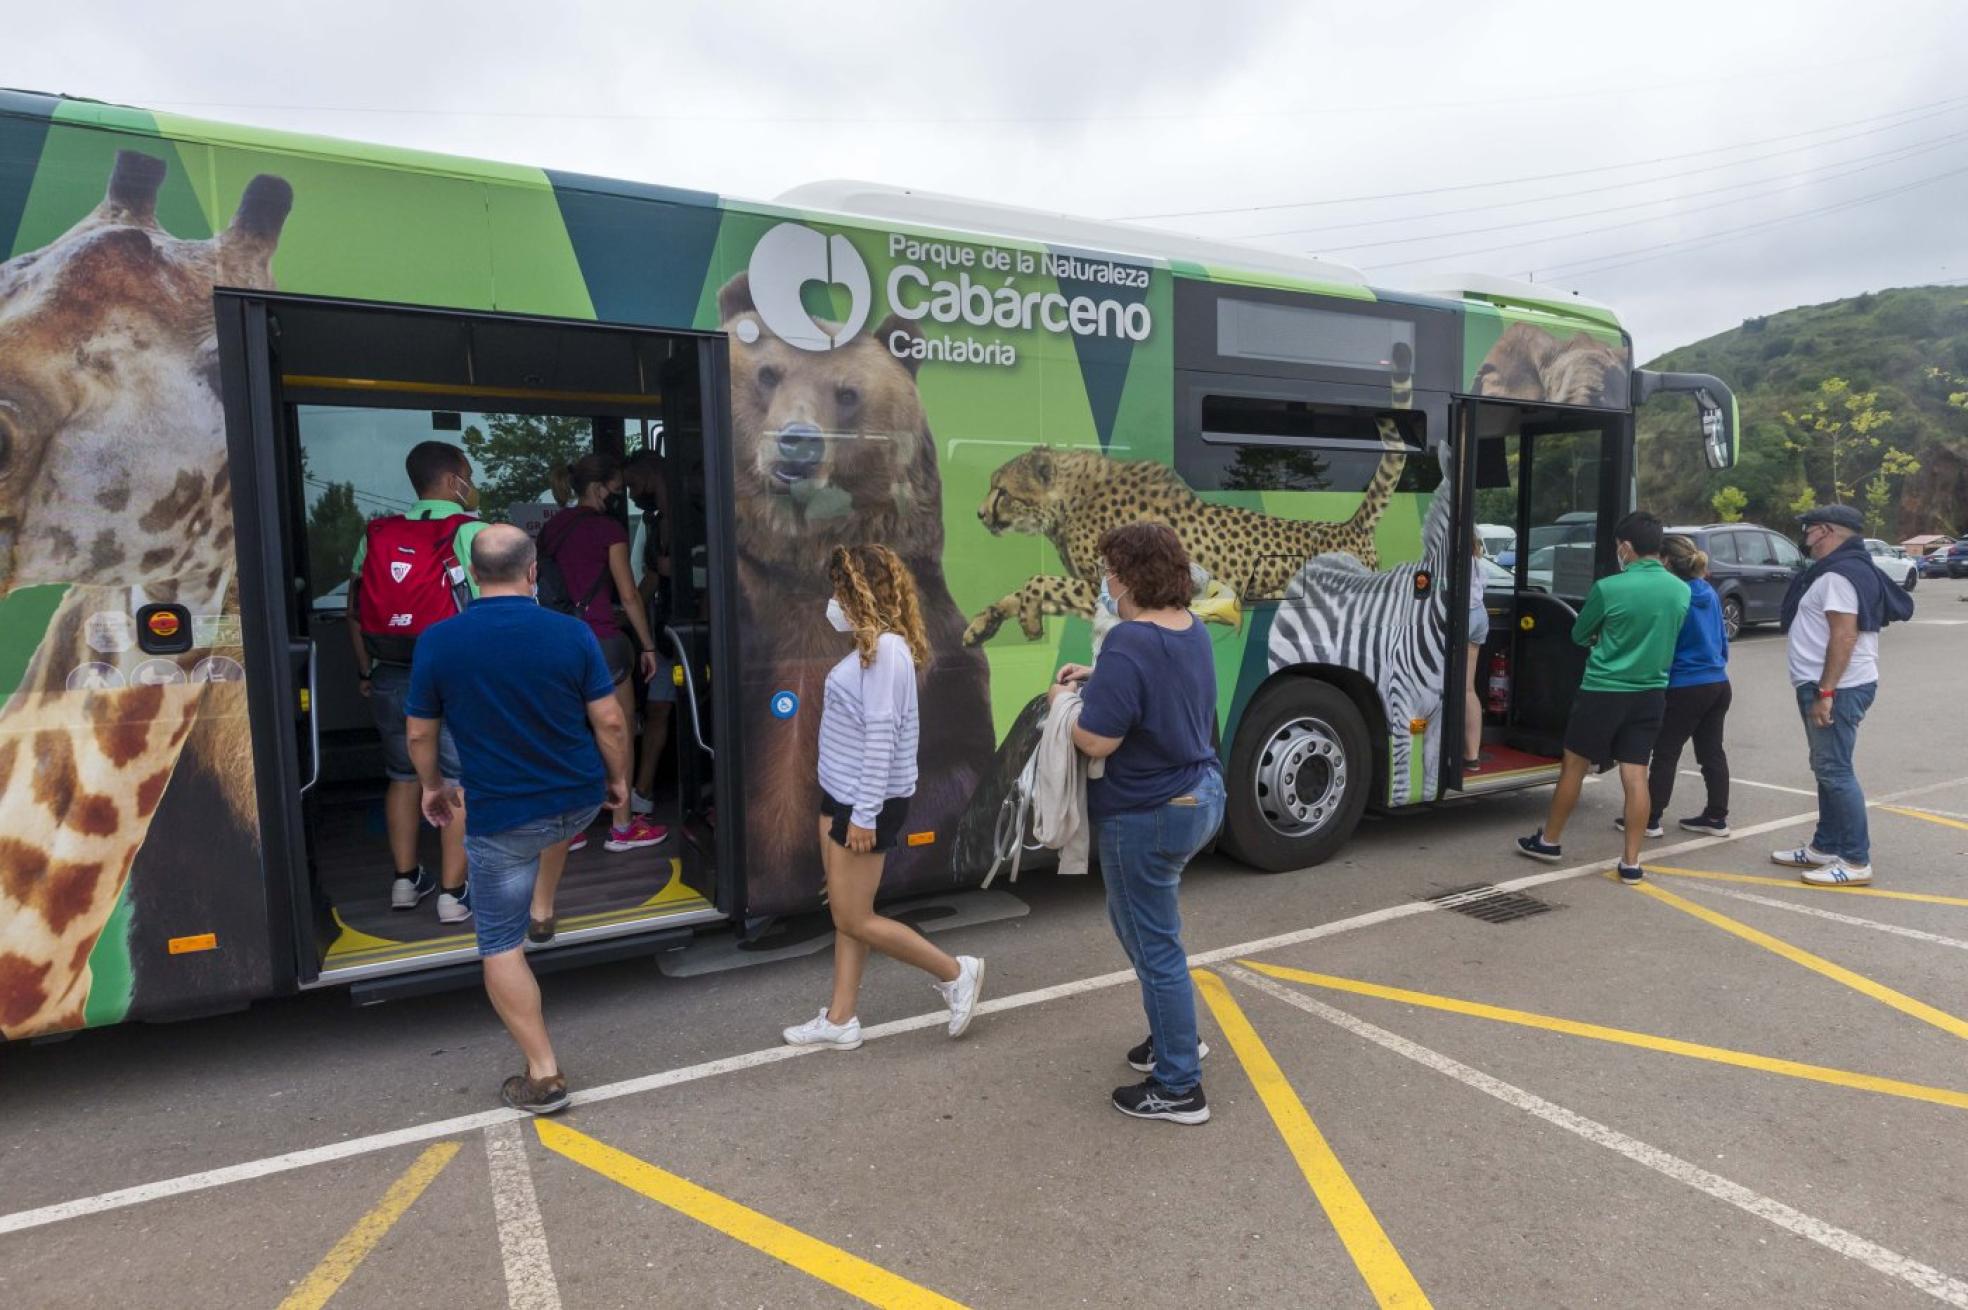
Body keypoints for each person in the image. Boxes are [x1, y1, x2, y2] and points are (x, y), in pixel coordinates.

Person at [405, 524, 629, 1114]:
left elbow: (420, 731)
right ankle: (545, 908)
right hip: (576, 798)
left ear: (473, 574)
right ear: (533, 572)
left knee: (499, 946)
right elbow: (608, 721)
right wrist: (618, 782)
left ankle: (544, 1074)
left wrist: (433, 787)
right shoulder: (572, 633)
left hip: (502, 816)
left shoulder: (439, 640)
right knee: (554, 828)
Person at [1052, 522, 1225, 1126]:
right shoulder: (1189, 627)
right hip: (1198, 795)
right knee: (1153, 938)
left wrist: (1062, 710)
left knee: (1154, 945)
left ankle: (1180, 1086)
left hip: (1146, 812)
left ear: (1127, 577)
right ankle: (1175, 1037)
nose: (1104, 581)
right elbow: (1158, 689)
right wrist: (1097, 680)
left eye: (1108, 571)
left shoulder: (1129, 639)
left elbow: (1098, 740)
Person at [781, 544, 985, 1052]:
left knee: (855, 917)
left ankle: (956, 973)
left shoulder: (888, 651)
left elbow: (882, 737)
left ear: (858, 594)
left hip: (862, 803)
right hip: (841, 795)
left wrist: (865, 814)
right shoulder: (870, 650)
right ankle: (840, 1018)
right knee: (847, 913)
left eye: (838, 589)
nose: (832, 600)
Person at [347, 440, 484, 923]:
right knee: (456, 781)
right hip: (455, 682)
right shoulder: (473, 533)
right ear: (453, 480)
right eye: (469, 474)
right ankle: (453, 892)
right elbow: (493, 612)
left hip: (392, 675)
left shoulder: (377, 534)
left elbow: (356, 610)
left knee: (403, 777)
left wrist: (367, 670)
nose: (473, 483)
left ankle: (405, 881)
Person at [1515, 511, 1689, 884]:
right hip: (1651, 693)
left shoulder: (1609, 588)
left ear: (1625, 546)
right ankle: (1631, 862)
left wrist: (1603, 640)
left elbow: (1579, 634)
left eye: (1617, 546)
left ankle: (1549, 841)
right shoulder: (1681, 589)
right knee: (1636, 775)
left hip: (1603, 691)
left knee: (1574, 767)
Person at [1771, 504, 1911, 886]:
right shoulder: (1849, 569)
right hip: (1833, 685)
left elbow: (1844, 635)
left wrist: (1826, 691)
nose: (1805, 539)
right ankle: (1825, 846)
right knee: (1827, 768)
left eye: (1808, 531)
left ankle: (1854, 860)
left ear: (1826, 531)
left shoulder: (1838, 576)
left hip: (1837, 688)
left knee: (1835, 771)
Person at [539, 452, 667, 854]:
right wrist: (647, 645)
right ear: (599, 487)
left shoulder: (551, 528)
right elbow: (628, 594)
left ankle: (571, 828)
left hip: (560, 643)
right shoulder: (608, 529)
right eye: (614, 488)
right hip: (603, 642)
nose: (618, 495)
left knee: (568, 733)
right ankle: (622, 826)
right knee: (619, 733)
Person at [1634, 535, 1732, 839]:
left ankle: (1649, 818)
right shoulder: (1708, 591)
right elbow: (1721, 638)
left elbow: (1665, 642)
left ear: (1665, 561)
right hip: (1717, 680)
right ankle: (1716, 817)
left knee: (1665, 752)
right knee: (1711, 752)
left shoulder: (1675, 595)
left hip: (1686, 684)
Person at [623, 448, 675, 816]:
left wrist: (630, 610)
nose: (630, 493)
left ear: (650, 475)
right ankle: (641, 791)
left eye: (632, 483)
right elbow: (655, 577)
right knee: (659, 708)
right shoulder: (656, 521)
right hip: (663, 630)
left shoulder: (694, 516)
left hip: (690, 628)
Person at [1464, 530, 1491, 772]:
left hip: (1462, 616)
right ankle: (1472, 754)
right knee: (1468, 688)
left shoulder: (1453, 560)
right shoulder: (1479, 563)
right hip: (1480, 615)